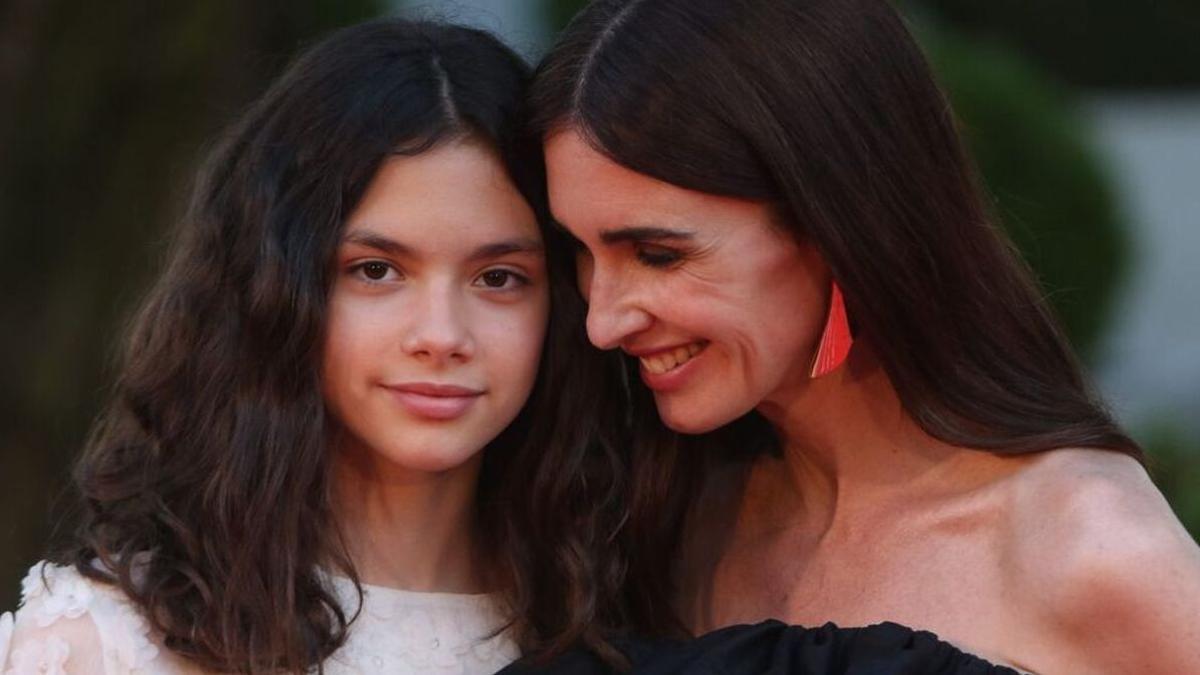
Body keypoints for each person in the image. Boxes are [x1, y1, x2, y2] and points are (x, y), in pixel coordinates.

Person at [512, 0, 1200, 673]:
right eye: (580, 251)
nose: (602, 321)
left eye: (659, 255)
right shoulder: (667, 514)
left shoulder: (1092, 550)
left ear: (835, 225)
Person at [0, 18, 627, 674]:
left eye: (498, 278)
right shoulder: (108, 641)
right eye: (376, 270)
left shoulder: (619, 621)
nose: (442, 336)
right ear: (276, 287)